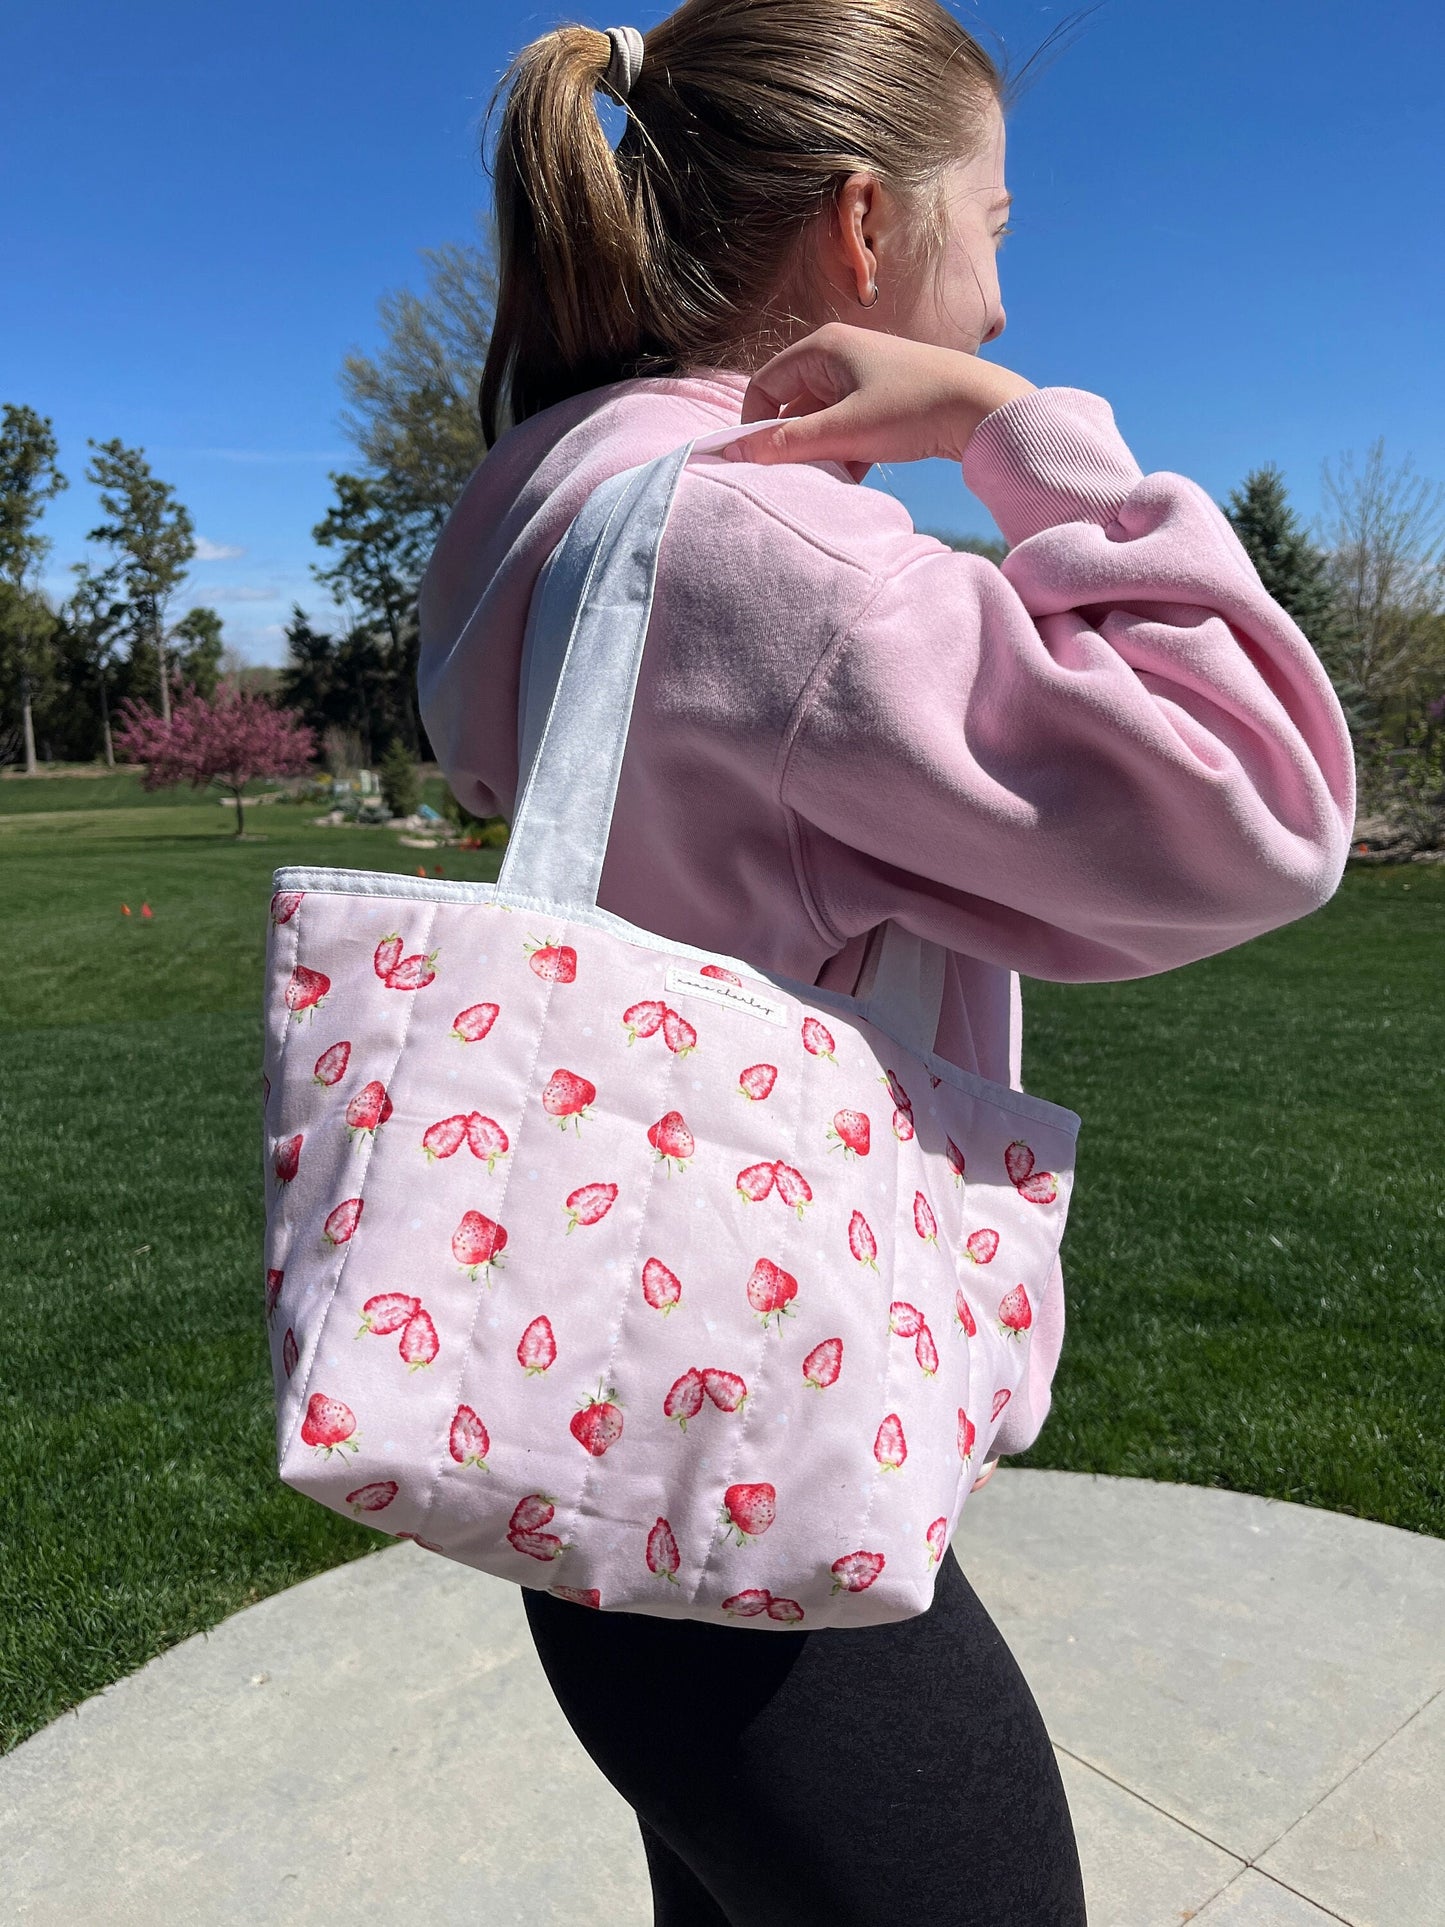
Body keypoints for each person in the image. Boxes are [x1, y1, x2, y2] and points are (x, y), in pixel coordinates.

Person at [416, 5, 1355, 1921]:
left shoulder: (530, 508)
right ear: (862, 228)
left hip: (595, 1423)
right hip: (766, 1463)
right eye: (990, 227)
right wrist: (1015, 437)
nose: (996, 302)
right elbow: (1259, 811)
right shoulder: (789, 563)